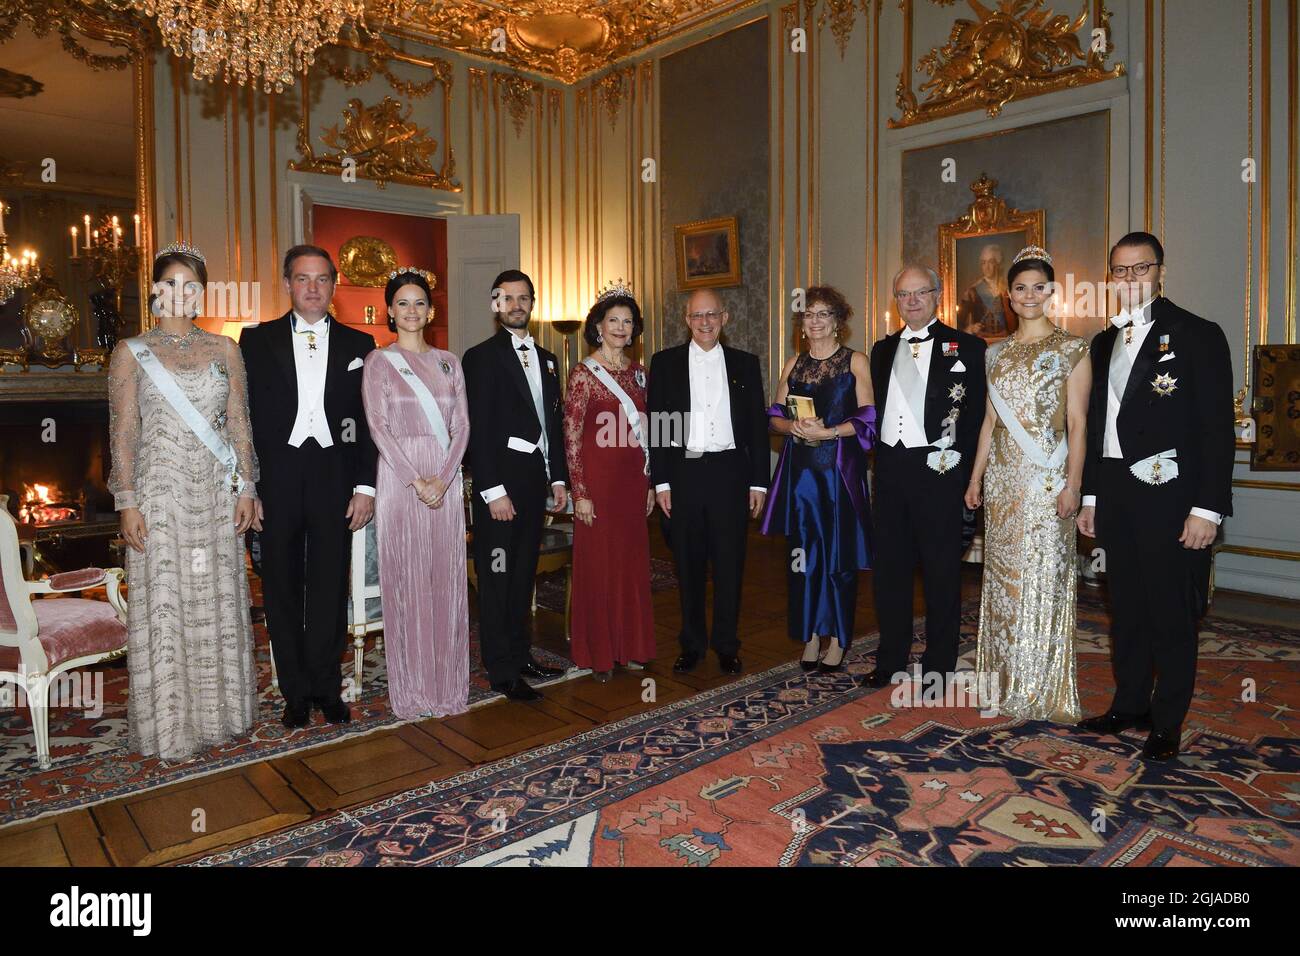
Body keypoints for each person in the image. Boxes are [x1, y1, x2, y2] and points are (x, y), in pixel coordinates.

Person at [1076, 232, 1234, 760]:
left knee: (1170, 611)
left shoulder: (1197, 334)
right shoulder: (1102, 342)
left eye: (1139, 269)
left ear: (1160, 271)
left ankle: (1167, 721)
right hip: (1116, 492)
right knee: (1127, 610)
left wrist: (1207, 508)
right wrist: (1092, 497)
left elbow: (1216, 429)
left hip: (1172, 495)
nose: (1129, 280)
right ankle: (1129, 705)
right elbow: (1098, 425)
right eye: (1119, 271)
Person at [107, 242, 258, 760]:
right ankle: (171, 726)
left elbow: (239, 426)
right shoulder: (130, 352)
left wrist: (248, 488)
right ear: (155, 292)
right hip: (161, 496)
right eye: (169, 283)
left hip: (216, 493)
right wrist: (127, 501)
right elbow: (123, 433)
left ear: (202, 293)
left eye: (190, 284)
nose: (180, 293)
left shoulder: (225, 350)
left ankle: (223, 715)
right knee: (169, 602)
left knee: (213, 595)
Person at [239, 245, 378, 729]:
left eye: (321, 279)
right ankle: (294, 693)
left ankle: (326, 687)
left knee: (328, 586)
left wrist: (366, 486)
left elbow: (366, 423)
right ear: (288, 284)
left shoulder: (361, 345)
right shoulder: (255, 341)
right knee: (279, 587)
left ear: (334, 286)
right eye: (303, 279)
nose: (313, 287)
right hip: (276, 479)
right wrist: (248, 487)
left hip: (334, 479)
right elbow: (243, 421)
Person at [964, 247, 1090, 721]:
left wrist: (1073, 484)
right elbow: (988, 424)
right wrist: (975, 479)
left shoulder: (1073, 349)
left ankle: (1040, 688)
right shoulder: (994, 353)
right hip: (1001, 484)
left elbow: (1078, 424)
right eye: (1021, 288)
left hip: (1046, 482)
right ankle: (1002, 683)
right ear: (1009, 296)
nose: (1029, 295)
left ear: (1051, 292)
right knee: (1003, 583)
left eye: (1039, 287)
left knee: (1043, 580)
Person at [864, 264, 987, 689]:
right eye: (903, 294)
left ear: (938, 295)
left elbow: (976, 420)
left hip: (941, 472)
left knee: (941, 573)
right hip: (891, 473)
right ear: (894, 300)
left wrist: (968, 475)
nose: (911, 300)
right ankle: (890, 659)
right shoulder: (881, 351)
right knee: (891, 572)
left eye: (920, 292)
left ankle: (939, 665)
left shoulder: (968, 347)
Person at [361, 268, 470, 718]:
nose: (411, 311)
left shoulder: (450, 362)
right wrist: (416, 479)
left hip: (444, 482)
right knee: (407, 584)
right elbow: (378, 427)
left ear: (431, 310)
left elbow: (462, 426)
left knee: (444, 581)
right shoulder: (379, 363)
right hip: (400, 482)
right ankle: (412, 692)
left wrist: (443, 479)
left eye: (419, 303)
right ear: (389, 310)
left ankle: (447, 688)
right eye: (402, 303)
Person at [647, 289, 769, 676]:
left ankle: (727, 645)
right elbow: (659, 427)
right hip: (684, 474)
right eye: (697, 316)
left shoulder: (745, 364)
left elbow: (757, 428)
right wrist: (661, 482)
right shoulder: (664, 363)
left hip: (731, 473)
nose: (704, 322)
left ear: (725, 318)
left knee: (731, 564)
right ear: (687, 320)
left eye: (711, 315)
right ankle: (692, 644)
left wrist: (759, 483)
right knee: (688, 565)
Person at [462, 270, 569, 701]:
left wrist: (558, 478)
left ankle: (522, 655)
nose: (517, 305)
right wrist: (492, 491)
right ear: (495, 304)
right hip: (499, 490)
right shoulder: (480, 357)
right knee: (498, 576)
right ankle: (501, 669)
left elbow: (553, 425)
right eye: (508, 298)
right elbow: (476, 429)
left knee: (523, 575)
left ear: (532, 302)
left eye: (524, 297)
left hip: (534, 484)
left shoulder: (548, 359)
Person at [761, 286, 876, 672]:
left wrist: (829, 432)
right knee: (803, 557)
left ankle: (840, 639)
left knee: (838, 558)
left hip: (839, 472)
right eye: (809, 314)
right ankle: (810, 635)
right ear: (802, 322)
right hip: (802, 474)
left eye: (824, 314)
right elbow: (773, 415)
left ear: (837, 321)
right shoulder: (793, 364)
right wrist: (792, 425)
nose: (815, 320)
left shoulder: (855, 362)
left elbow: (869, 419)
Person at [563, 284, 656, 682]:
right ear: (598, 326)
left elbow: (650, 430)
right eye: (613, 320)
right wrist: (579, 492)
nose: (621, 327)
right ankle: (600, 653)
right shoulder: (584, 374)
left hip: (633, 481)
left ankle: (632, 648)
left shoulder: (640, 373)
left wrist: (650, 483)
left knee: (632, 565)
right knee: (599, 566)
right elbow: (571, 435)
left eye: (628, 321)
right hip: (598, 485)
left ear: (635, 329)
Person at [959, 243, 1015, 338]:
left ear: (998, 264)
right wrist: (971, 328)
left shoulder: (1008, 289)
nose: (986, 267)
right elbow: (958, 323)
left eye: (991, 262)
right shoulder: (972, 292)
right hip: (981, 342)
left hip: (1005, 342)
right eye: (983, 262)